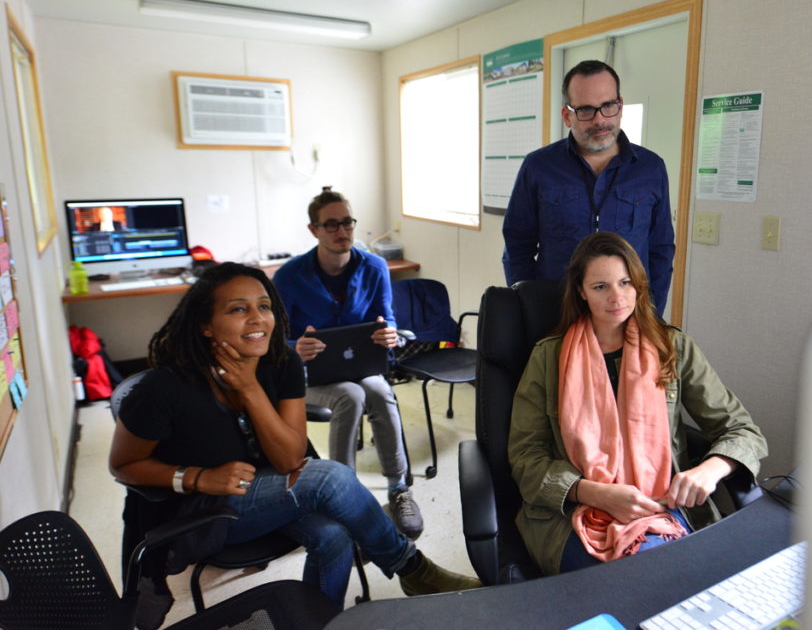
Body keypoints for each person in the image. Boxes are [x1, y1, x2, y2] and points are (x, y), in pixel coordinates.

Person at [109, 263, 479, 627]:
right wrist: (196, 477)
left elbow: (289, 459)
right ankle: (411, 568)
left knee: (332, 535)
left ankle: (319, 622)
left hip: (269, 488)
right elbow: (123, 465)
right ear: (205, 326)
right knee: (330, 479)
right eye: (238, 309)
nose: (257, 318)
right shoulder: (163, 389)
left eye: (264, 306)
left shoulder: (280, 362)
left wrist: (250, 389)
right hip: (199, 512)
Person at [508, 232, 767, 575]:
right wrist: (594, 493)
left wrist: (710, 469)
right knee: (632, 583)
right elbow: (525, 457)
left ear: (639, 286)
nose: (617, 297)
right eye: (600, 287)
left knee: (678, 579)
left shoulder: (672, 347)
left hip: (662, 505)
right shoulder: (548, 357)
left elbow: (742, 430)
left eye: (625, 283)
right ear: (582, 292)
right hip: (575, 514)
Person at [273, 187, 422, 540]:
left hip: (361, 368)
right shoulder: (289, 275)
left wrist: (391, 336)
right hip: (310, 375)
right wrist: (295, 347)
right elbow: (273, 342)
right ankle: (343, 496)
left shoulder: (374, 267)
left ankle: (399, 487)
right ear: (314, 230)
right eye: (331, 225)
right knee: (350, 397)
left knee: (379, 391)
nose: (342, 232)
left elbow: (387, 322)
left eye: (347, 223)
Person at [502, 60, 676, 314]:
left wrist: (652, 315)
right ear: (567, 116)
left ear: (620, 106)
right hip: (555, 315)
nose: (599, 120)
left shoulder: (650, 168)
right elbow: (518, 246)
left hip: (628, 317)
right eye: (585, 110)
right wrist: (528, 308)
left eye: (608, 106)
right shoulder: (538, 166)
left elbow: (661, 250)